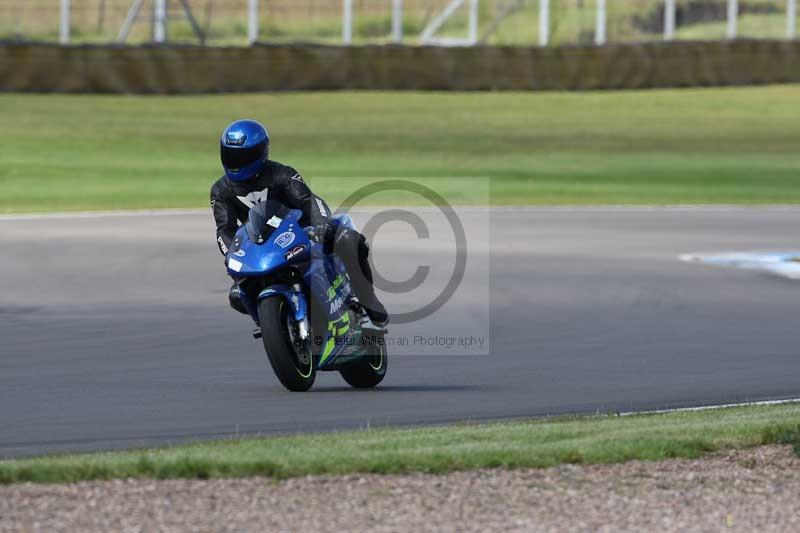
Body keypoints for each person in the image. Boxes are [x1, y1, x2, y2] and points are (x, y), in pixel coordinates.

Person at [210, 119, 388, 327]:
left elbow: (308, 201)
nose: (236, 162)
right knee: (237, 295)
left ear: (260, 152)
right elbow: (225, 229)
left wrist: (321, 223)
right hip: (261, 249)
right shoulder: (220, 190)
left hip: (302, 233)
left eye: (243, 156)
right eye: (230, 155)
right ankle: (275, 323)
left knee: (348, 238)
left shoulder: (282, 174)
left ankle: (367, 298)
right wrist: (232, 253)